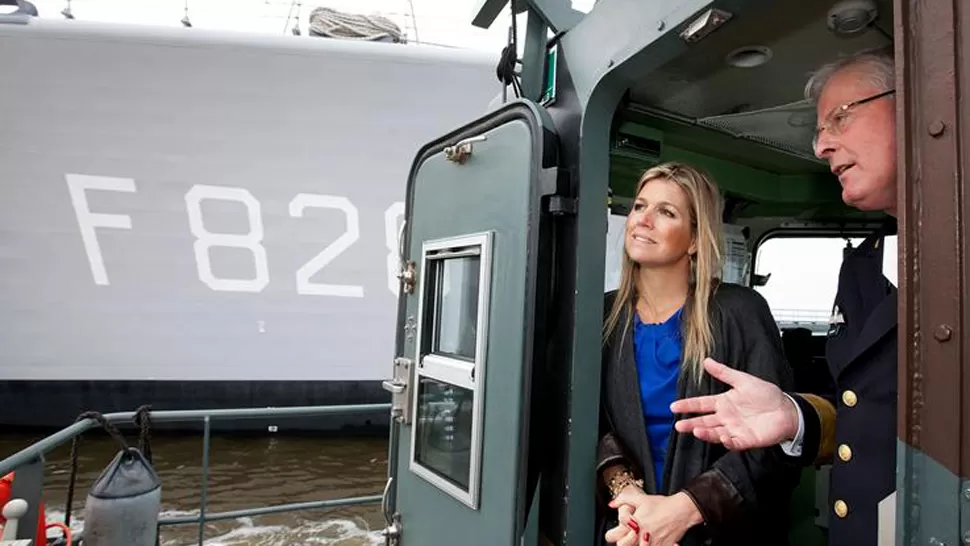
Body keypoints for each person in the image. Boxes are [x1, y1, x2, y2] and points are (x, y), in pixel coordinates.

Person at [670, 45, 898, 546]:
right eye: (819, 130)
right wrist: (794, 417)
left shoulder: (738, 307)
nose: (821, 147)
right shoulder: (864, 268)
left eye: (839, 118)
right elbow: (865, 415)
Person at [596, 162, 800, 546]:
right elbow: (589, 426)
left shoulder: (739, 312)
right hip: (624, 528)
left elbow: (772, 448)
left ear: (693, 239)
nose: (643, 220)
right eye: (640, 206)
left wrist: (684, 509)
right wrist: (626, 492)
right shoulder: (604, 315)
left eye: (666, 212)